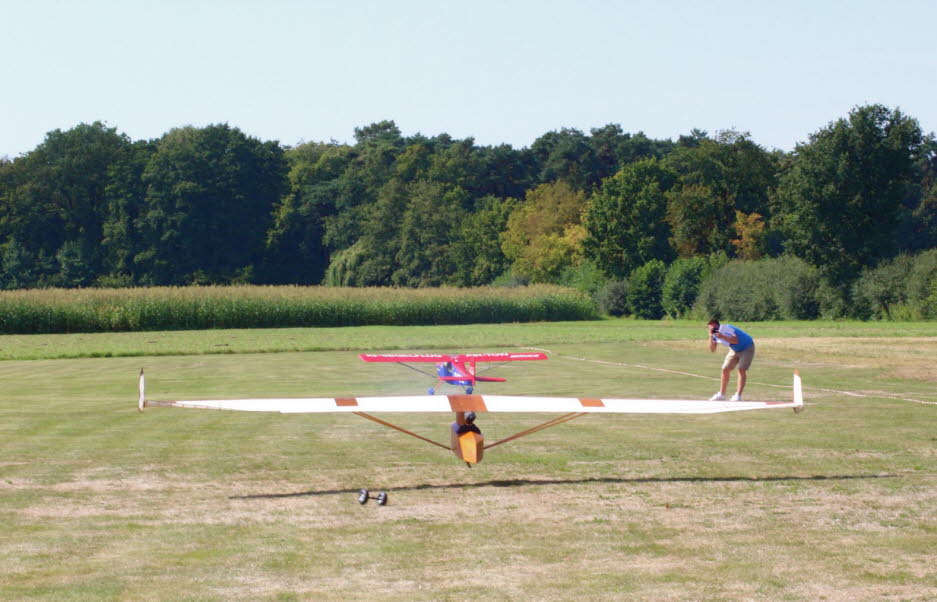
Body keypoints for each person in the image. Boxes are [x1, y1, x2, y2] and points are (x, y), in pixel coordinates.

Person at [707, 319, 755, 401]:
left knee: (741, 369)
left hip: (747, 347)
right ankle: (721, 394)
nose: (714, 330)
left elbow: (735, 340)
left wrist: (722, 336)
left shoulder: (727, 328)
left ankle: (738, 395)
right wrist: (711, 336)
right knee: (725, 369)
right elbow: (712, 349)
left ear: (719, 326)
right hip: (734, 349)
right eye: (711, 328)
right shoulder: (714, 334)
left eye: (715, 328)